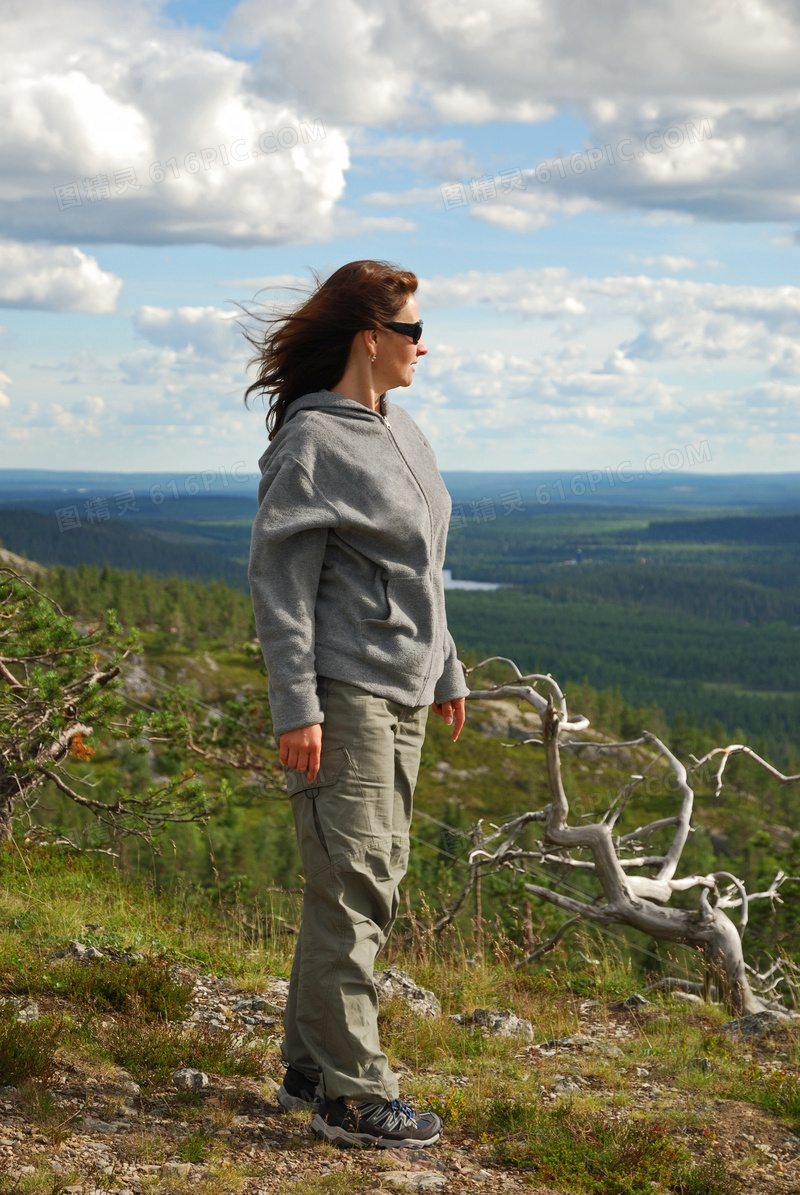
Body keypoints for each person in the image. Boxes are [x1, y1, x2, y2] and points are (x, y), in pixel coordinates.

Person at [245, 259, 468, 1150]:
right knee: (357, 883)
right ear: (370, 338)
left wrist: (445, 666)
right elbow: (280, 586)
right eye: (413, 331)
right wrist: (297, 706)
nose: (424, 346)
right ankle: (355, 1095)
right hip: (346, 696)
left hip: (403, 690)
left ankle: (308, 1066)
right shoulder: (312, 441)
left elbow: (423, 568)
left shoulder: (401, 427)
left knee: (358, 875)